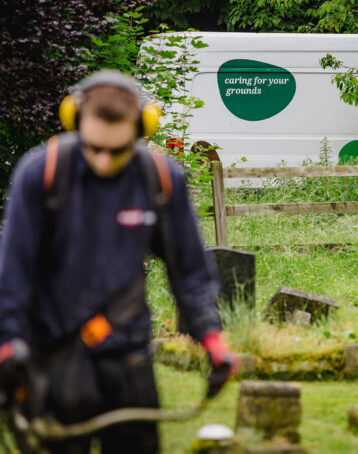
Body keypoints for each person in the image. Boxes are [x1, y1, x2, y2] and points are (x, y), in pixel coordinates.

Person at [0, 70, 236, 453]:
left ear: (141, 130)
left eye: (117, 150)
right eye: (94, 148)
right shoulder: (41, 174)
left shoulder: (158, 179)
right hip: (52, 360)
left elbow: (189, 271)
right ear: (74, 122)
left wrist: (212, 338)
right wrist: (8, 344)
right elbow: (13, 272)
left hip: (129, 360)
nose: (104, 160)